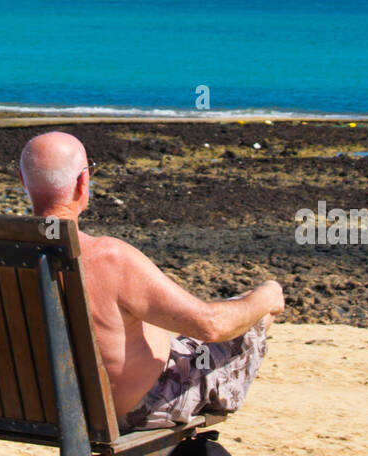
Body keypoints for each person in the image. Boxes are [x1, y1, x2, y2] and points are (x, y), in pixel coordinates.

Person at [18, 131, 283, 429]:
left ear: (22, 180)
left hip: (30, 405)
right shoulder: (109, 258)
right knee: (248, 320)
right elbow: (212, 326)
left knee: (190, 336)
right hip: (129, 410)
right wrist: (268, 294)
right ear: (83, 182)